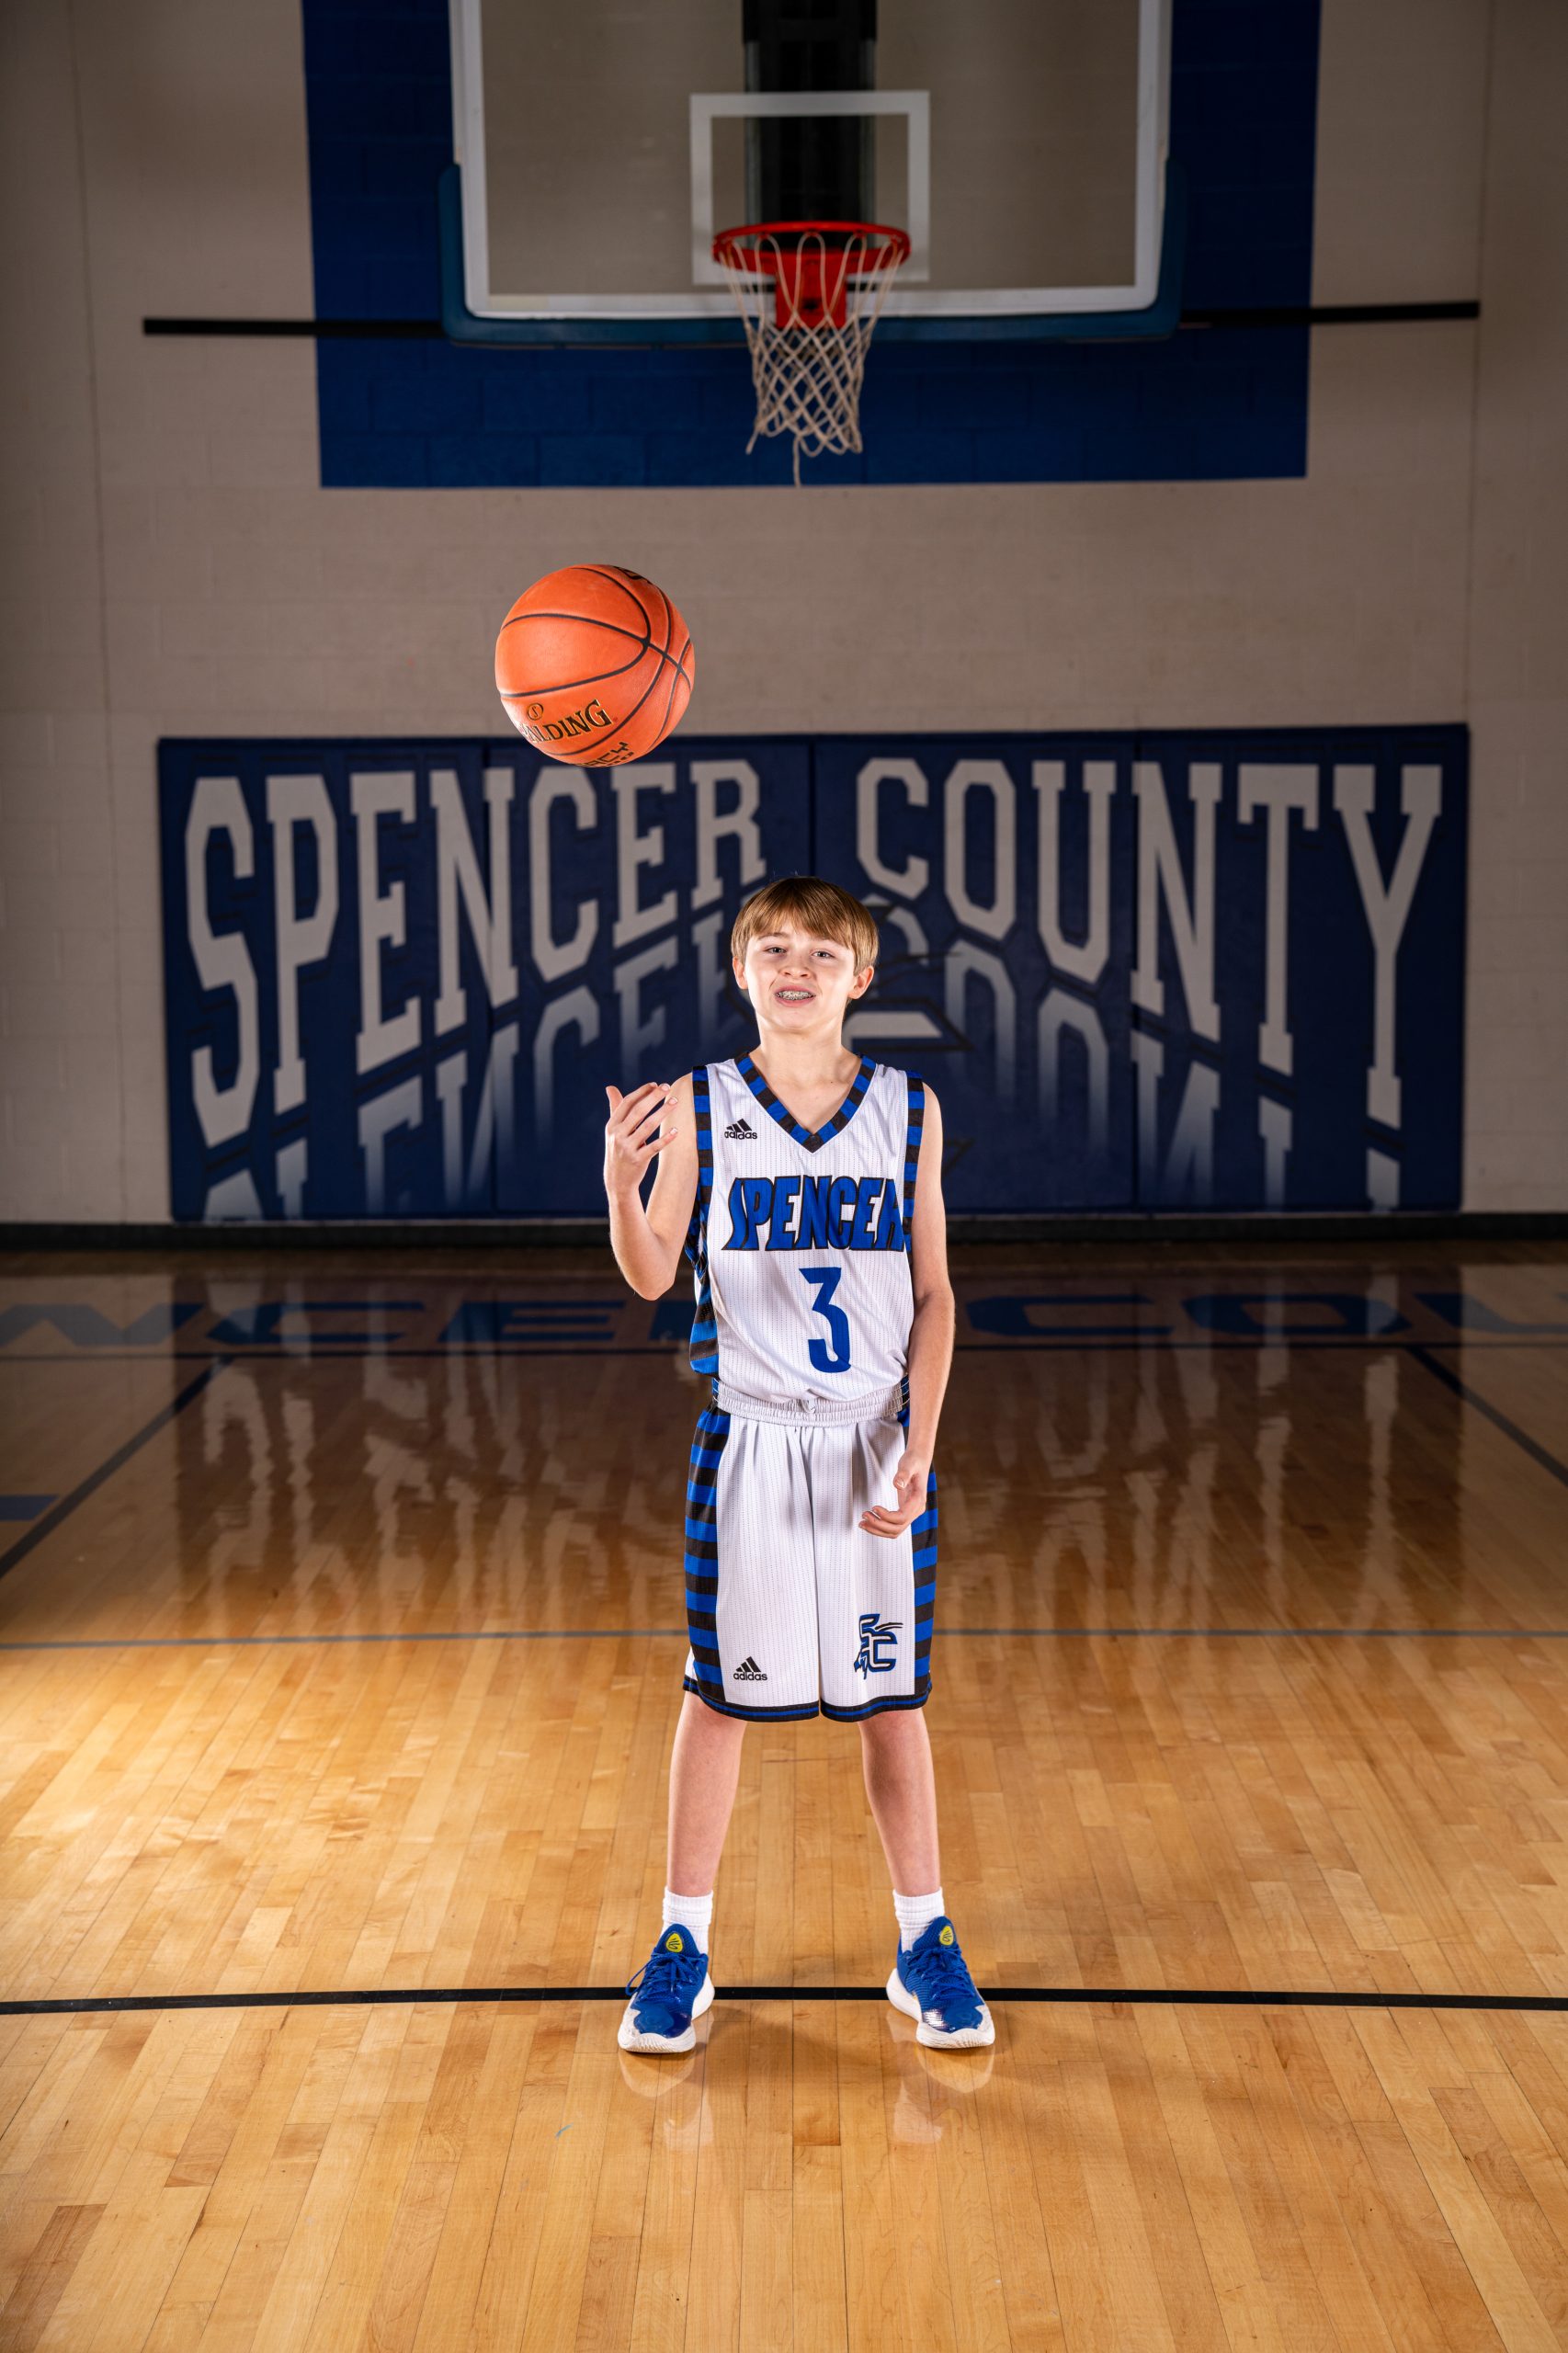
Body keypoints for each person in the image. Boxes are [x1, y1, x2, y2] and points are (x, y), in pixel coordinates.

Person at [602, 874, 993, 2055]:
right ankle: (681, 1945)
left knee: (892, 1704)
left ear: (859, 978)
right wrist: (621, 1188)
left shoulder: (908, 1110)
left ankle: (922, 1941)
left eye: (821, 954)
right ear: (740, 971)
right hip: (753, 1441)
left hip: (873, 1443)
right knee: (717, 1696)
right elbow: (652, 1271)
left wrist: (921, 1445)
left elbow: (934, 1294)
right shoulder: (699, 1104)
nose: (794, 969)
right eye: (771, 949)